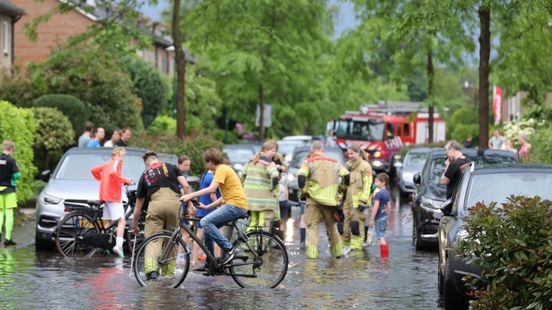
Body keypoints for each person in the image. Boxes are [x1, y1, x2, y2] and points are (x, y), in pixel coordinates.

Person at [131, 151, 194, 280]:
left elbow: (138, 207)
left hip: (156, 207)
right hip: (174, 206)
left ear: (146, 163)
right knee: (172, 239)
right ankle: (168, 272)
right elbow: (186, 186)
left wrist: (135, 225)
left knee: (153, 240)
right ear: (157, 160)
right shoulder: (171, 167)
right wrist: (189, 205)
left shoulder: (145, 175)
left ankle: (152, 271)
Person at [180, 148, 248, 266]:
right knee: (208, 230)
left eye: (207, 162)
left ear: (211, 161)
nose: (206, 165)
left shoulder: (221, 169)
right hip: (235, 204)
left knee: (205, 222)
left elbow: (211, 189)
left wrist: (189, 195)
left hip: (235, 205)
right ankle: (211, 262)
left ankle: (229, 248)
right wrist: (207, 207)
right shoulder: (223, 169)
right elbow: (223, 197)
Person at [298, 141, 349, 259]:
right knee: (332, 227)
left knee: (312, 228)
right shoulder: (335, 162)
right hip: (330, 201)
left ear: (312, 150)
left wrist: (304, 190)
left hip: (313, 200)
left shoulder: (308, 162)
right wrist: (341, 190)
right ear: (322, 150)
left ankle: (312, 257)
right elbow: (346, 175)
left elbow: (301, 178)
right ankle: (337, 253)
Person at [90, 147, 133, 257]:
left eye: (122, 156)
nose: (121, 159)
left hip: (105, 195)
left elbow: (93, 170)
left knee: (109, 223)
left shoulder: (106, 164)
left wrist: (103, 180)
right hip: (112, 196)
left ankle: (105, 245)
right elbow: (114, 173)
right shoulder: (115, 163)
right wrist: (126, 180)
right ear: (113, 156)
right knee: (122, 221)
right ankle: (118, 246)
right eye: (119, 156)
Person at [239, 140, 279, 234]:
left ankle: (247, 243)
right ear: (266, 150)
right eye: (273, 150)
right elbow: (275, 176)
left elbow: (240, 175)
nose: (275, 153)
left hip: (250, 198)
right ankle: (258, 247)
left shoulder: (252, 160)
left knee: (253, 222)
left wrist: (242, 189)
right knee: (262, 223)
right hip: (263, 200)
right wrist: (272, 188)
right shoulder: (269, 163)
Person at [341, 144, 373, 253]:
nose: (349, 156)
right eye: (348, 153)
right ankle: (343, 250)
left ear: (358, 153)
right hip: (347, 202)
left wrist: (363, 201)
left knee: (356, 228)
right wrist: (339, 199)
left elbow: (367, 184)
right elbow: (343, 185)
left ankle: (356, 254)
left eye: (352, 153)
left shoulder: (365, 166)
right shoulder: (347, 166)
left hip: (359, 203)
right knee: (344, 227)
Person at [0, 141, 21, 246]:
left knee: (0, 213)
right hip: (9, 190)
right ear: (11, 149)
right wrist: (13, 177)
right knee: (9, 213)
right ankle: (8, 239)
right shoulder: (11, 160)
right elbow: (17, 175)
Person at [369, 173, 391, 257]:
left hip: (379, 217)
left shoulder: (378, 194)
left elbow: (375, 207)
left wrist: (371, 219)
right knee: (381, 235)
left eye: (377, 181)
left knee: (380, 236)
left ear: (383, 182)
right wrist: (388, 218)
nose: (375, 183)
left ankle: (384, 257)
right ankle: (384, 255)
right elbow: (389, 206)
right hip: (384, 216)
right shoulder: (387, 193)